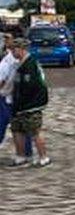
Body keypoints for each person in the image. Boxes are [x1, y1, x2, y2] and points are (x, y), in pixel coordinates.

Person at [8, 37, 49, 167]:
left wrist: (21, 102)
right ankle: (21, 156)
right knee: (17, 129)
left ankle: (43, 157)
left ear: (21, 49)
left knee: (34, 131)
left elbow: (30, 86)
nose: (12, 53)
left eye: (13, 49)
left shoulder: (30, 64)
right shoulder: (20, 64)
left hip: (31, 104)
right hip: (19, 104)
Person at [0, 33, 32, 160]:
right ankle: (26, 153)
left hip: (10, 100)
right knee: (21, 128)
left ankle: (25, 154)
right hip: (12, 99)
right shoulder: (10, 62)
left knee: (17, 127)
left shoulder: (9, 62)